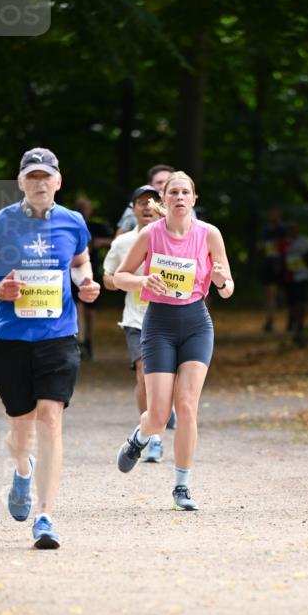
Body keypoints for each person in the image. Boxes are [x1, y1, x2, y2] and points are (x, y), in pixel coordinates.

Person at [0, 147, 100, 549]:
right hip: (11, 340)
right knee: (20, 434)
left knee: (51, 420)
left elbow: (80, 263)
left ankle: (45, 515)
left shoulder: (73, 222)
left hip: (58, 337)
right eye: (32, 177)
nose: (40, 183)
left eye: (47, 176)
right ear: (21, 182)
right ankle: (23, 469)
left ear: (59, 181)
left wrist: (86, 283)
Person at [113, 170, 234, 510]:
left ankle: (182, 486)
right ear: (163, 201)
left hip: (197, 322)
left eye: (185, 192)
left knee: (187, 405)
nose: (179, 197)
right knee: (158, 416)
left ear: (193, 199)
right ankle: (139, 438)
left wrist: (223, 281)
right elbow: (120, 276)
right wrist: (143, 282)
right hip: (160, 324)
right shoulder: (151, 235)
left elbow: (227, 289)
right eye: (173, 192)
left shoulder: (209, 235)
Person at [103, 184, 165, 462]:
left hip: (169, 317)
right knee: (143, 372)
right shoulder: (122, 243)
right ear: (133, 209)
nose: (147, 206)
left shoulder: (174, 238)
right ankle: (152, 436)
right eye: (141, 202)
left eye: (153, 201)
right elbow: (109, 276)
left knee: (165, 380)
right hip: (137, 319)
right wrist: (126, 281)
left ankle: (158, 416)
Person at [72, 196, 112, 360]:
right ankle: (80, 341)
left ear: (90, 210)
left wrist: (99, 242)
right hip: (73, 271)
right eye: (80, 207)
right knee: (78, 305)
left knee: (90, 311)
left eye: (85, 207)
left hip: (94, 270)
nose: (83, 210)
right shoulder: (71, 225)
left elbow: (115, 240)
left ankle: (88, 339)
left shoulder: (96, 227)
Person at [116, 164, 175, 234]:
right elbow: (120, 237)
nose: (164, 186)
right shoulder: (136, 206)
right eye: (159, 182)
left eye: (168, 182)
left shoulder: (183, 205)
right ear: (150, 184)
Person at [283, 222, 308, 346]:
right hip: (290, 278)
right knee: (292, 303)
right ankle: (295, 324)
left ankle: (301, 325)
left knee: (302, 302)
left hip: (303, 277)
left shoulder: (305, 242)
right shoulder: (284, 243)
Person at [259, 207, 287, 332]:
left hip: (282, 265)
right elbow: (261, 248)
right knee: (271, 294)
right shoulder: (265, 230)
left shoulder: (283, 230)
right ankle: (270, 320)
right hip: (269, 265)